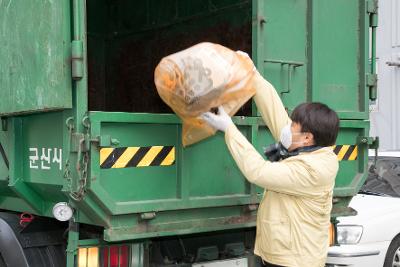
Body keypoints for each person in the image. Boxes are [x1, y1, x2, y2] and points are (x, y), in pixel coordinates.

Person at [201, 71, 340, 267]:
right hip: (289, 254)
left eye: (293, 125)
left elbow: (258, 171)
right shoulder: (311, 151)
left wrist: (229, 129)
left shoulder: (311, 169)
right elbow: (275, 113)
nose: (287, 127)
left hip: (293, 260)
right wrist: (252, 74)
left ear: (307, 137)